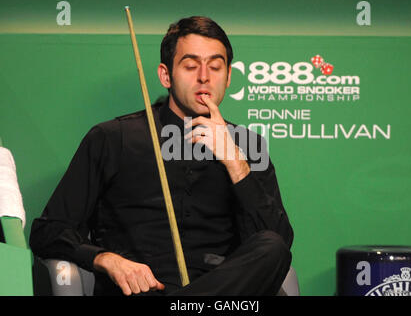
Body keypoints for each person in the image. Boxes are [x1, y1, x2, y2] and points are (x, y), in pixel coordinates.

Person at [30, 16, 294, 296]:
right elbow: (48, 231)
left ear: (228, 77)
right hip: (139, 293)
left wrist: (234, 162)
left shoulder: (247, 146)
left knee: (272, 246)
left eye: (215, 67)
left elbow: (276, 244)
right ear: (165, 75)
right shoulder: (113, 138)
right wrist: (106, 259)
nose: (204, 76)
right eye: (191, 66)